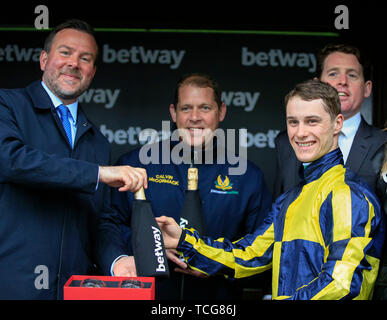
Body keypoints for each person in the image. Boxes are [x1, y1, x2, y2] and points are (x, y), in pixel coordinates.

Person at [156, 79, 385, 300]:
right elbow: (248, 256)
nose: (301, 132)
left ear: (337, 124)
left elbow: (341, 285)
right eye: (293, 122)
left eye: (312, 121)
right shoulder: (290, 199)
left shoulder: (348, 195)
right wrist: (184, 240)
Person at [0, 19, 146, 299]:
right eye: (65, 52)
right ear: (44, 59)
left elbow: (100, 220)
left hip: (74, 291)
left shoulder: (97, 141)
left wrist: (117, 261)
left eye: (85, 58)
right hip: (11, 286)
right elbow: (11, 160)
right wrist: (97, 174)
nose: (74, 63)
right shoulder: (7, 105)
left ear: (92, 71)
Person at [111, 73, 273, 299]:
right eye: (186, 108)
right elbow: (111, 226)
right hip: (152, 295)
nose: (194, 117)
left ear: (222, 111)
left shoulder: (248, 176)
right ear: (173, 113)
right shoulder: (136, 164)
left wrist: (216, 263)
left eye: (205, 108)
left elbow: (262, 249)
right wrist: (152, 249)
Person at [273, 43, 387, 199]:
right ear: (316, 85)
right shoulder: (285, 142)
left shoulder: (383, 143)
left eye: (352, 75)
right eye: (333, 74)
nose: (343, 81)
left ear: (367, 88)